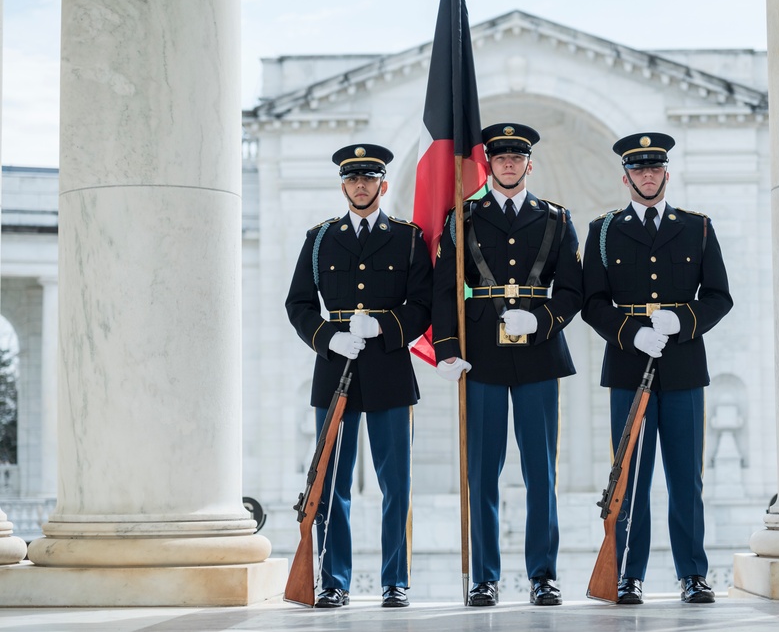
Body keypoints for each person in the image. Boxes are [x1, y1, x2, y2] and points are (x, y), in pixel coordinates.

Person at [433, 123, 583, 606]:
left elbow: (574, 290)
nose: (509, 164)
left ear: (529, 164)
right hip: (482, 354)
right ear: (489, 164)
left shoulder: (556, 219)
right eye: (500, 158)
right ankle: (485, 576)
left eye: (517, 157)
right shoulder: (463, 218)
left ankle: (543, 575)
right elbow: (445, 288)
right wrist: (449, 348)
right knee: (483, 472)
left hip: (538, 353)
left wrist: (541, 320)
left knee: (541, 471)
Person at [581, 132, 733, 605]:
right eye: (638, 169)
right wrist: (631, 332)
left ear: (667, 173)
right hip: (629, 367)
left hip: (684, 368)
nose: (648, 176)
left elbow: (719, 297)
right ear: (625, 177)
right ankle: (628, 573)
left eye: (655, 168)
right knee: (631, 477)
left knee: (686, 478)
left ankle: (692, 573)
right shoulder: (603, 231)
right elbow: (592, 303)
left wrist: (682, 320)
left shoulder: (697, 228)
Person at [285, 143, 432, 609]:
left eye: (369, 178)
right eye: (353, 179)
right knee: (332, 484)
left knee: (396, 487)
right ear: (343, 185)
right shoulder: (321, 239)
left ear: (383, 184)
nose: (361, 185)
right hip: (336, 370)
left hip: (389, 367)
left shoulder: (408, 239)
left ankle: (396, 581)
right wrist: (327, 336)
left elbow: (423, 305)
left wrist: (386, 326)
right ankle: (334, 581)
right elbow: (299, 305)